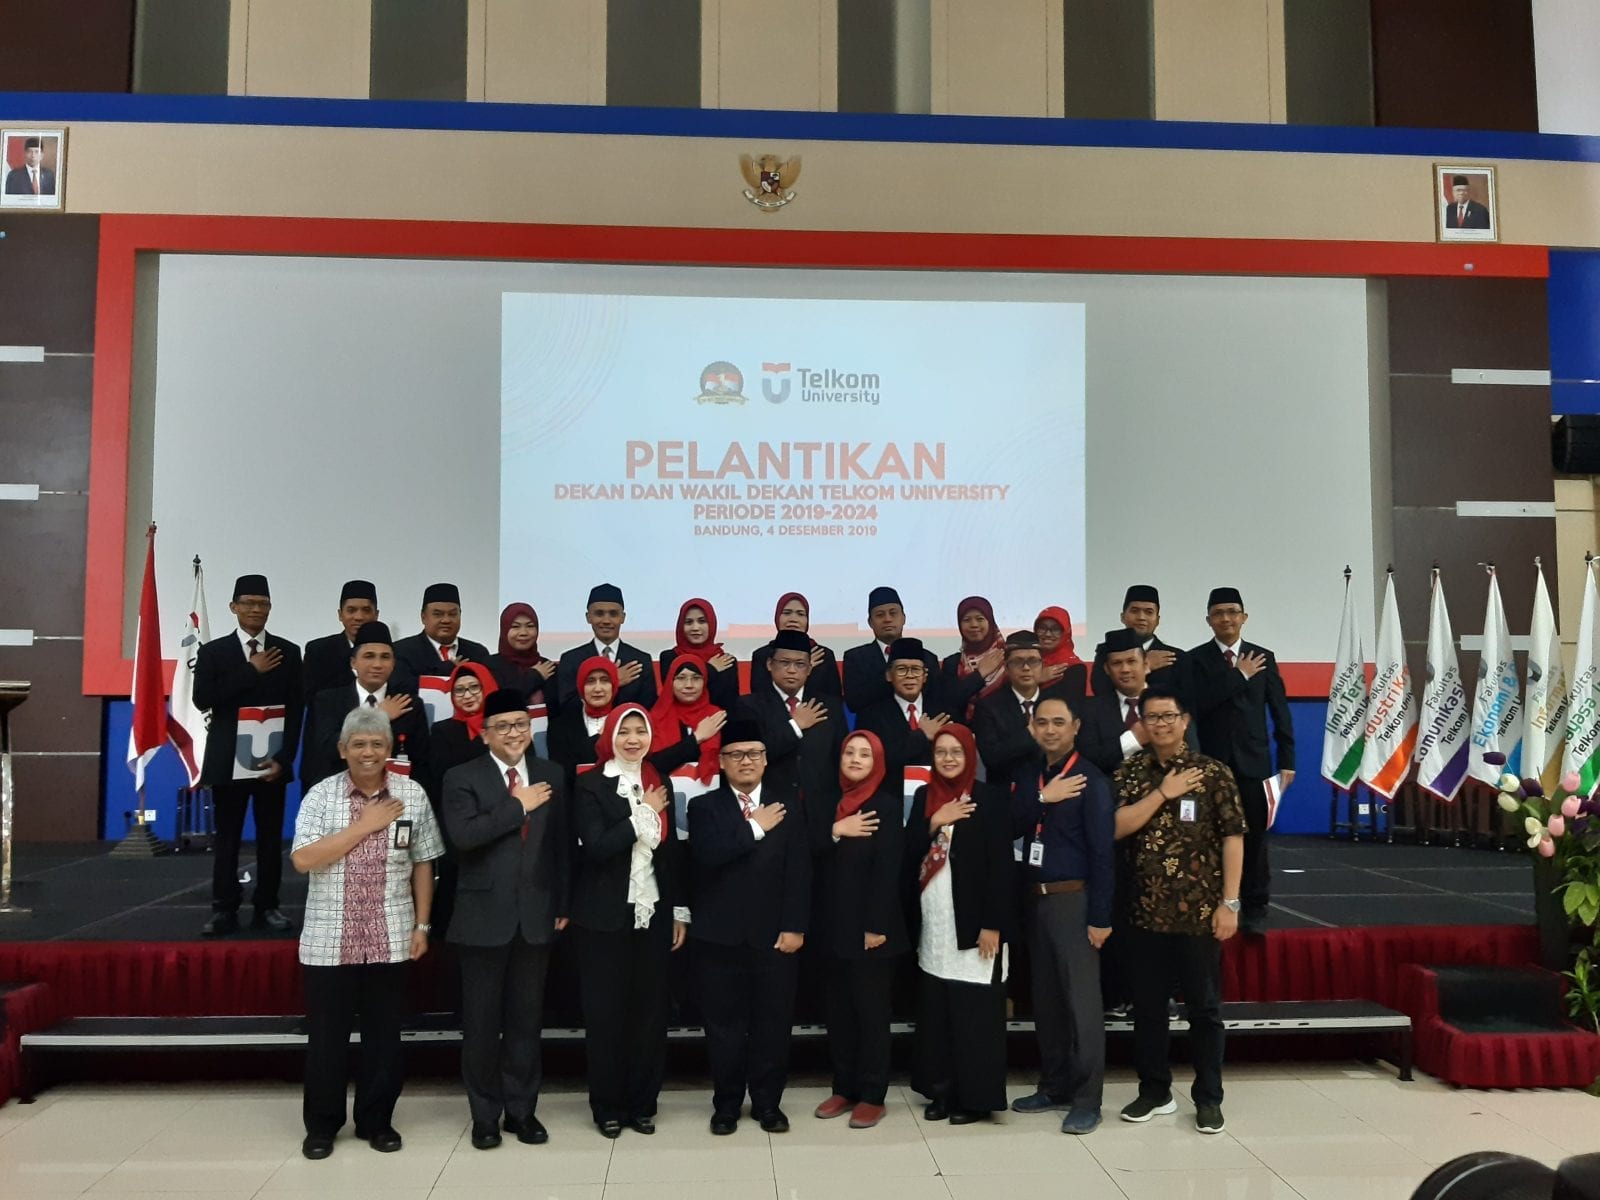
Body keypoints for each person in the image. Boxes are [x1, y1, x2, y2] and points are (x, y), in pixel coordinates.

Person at [291, 706, 443, 1160]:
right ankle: (322, 1126)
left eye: (377, 743)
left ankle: (377, 1122)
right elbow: (303, 859)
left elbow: (424, 862)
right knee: (326, 1040)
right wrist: (364, 826)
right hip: (328, 940)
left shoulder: (412, 794)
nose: (368, 752)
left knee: (385, 1039)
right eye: (358, 744)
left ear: (390, 748)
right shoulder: (321, 795)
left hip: (391, 934)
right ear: (343, 750)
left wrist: (422, 925)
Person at [1112, 688, 1245, 1135]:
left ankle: (1209, 1098)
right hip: (1143, 912)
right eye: (1152, 717)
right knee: (1148, 1010)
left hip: (1200, 914)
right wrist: (1162, 793)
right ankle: (1154, 1091)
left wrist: (1230, 903)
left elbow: (1233, 838)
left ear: (1185, 720)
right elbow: (1115, 827)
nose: (1161, 724)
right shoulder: (1131, 772)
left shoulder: (1213, 773)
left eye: (1169, 716)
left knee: (1204, 1011)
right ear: (1142, 723)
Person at [442, 688, 570, 1150]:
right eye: (502, 726)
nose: (514, 733)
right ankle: (484, 1116)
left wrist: (562, 904)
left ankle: (522, 1111)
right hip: (482, 918)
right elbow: (464, 836)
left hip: (536, 917)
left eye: (520, 724)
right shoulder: (461, 777)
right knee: (481, 1024)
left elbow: (560, 846)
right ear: (484, 734)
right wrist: (518, 805)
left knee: (525, 1022)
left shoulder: (551, 773)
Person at [570, 704, 689, 1138]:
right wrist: (642, 814)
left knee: (649, 1015)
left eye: (641, 731)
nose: (633, 739)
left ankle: (642, 1104)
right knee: (605, 1015)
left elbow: (669, 853)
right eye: (625, 731)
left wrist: (678, 909)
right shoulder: (590, 784)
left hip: (652, 912)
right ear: (611, 737)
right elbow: (598, 847)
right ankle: (607, 1106)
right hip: (603, 916)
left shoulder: (660, 781)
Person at [687, 719, 811, 1135]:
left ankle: (767, 1104)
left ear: (765, 759)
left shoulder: (787, 803)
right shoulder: (703, 807)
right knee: (723, 1029)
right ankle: (726, 1105)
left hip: (774, 937)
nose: (746, 761)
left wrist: (795, 925)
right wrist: (755, 826)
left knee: (772, 1026)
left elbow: (799, 870)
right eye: (736, 754)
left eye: (754, 753)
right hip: (718, 938)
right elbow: (708, 855)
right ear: (722, 762)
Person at [1007, 696, 1114, 1135]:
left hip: (1075, 901)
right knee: (1047, 1001)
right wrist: (1041, 798)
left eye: (1058, 722)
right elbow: (1011, 823)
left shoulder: (1090, 779)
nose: (1050, 730)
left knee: (1081, 1005)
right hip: (1035, 899)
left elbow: (1103, 853)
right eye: (1042, 722)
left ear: (1075, 727)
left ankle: (1088, 1100)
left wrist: (1101, 916)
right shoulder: (1029, 775)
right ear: (1032, 728)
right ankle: (1054, 1086)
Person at [907, 724, 1014, 1124]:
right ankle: (941, 1092)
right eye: (941, 752)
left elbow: (1002, 866)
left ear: (970, 756)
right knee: (938, 1013)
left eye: (957, 752)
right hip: (936, 922)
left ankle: (976, 1099)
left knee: (975, 1015)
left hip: (975, 924)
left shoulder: (991, 798)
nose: (948, 758)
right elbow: (907, 854)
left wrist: (993, 924)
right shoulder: (924, 797)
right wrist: (935, 820)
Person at [193, 574, 304, 936]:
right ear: (234, 607)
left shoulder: (288, 652)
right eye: (249, 603)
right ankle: (223, 908)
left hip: (271, 761)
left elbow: (295, 710)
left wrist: (285, 758)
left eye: (263, 604)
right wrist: (250, 670)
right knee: (227, 838)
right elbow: (203, 699)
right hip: (228, 762)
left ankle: (267, 906)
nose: (256, 609)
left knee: (270, 839)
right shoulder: (213, 652)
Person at [812, 730, 905, 1130]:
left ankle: (872, 1095)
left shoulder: (886, 806)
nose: (855, 759)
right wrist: (837, 830)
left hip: (872, 932)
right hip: (832, 928)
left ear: (877, 763)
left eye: (865, 754)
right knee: (839, 1015)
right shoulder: (827, 804)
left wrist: (876, 925)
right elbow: (809, 850)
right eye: (849, 751)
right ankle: (844, 1087)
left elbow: (889, 870)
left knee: (871, 1016)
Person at [1187, 587, 1293, 936]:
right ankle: (1214, 899)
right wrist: (1239, 676)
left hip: (1254, 762)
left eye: (1233, 612)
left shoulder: (1263, 657)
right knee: (1209, 835)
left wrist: (1288, 760)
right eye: (1218, 613)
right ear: (1208, 620)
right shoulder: (1195, 660)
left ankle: (1256, 906)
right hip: (1211, 763)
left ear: (1244, 617)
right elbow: (1198, 704)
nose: (1226, 619)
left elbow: (1279, 711)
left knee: (1255, 837)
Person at [736, 628, 845, 854]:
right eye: (784, 663)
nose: (792, 670)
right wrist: (795, 726)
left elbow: (840, 759)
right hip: (771, 815)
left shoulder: (829, 706)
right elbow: (752, 756)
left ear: (810, 668)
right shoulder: (749, 706)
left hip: (821, 819)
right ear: (770, 664)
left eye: (800, 664)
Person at [306, 622, 431, 792]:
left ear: (393, 663)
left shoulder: (408, 704)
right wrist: (379, 716)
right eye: (369, 656)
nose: (377, 664)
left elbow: (421, 763)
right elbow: (328, 748)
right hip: (339, 792)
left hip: (394, 794)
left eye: (385, 657)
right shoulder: (329, 700)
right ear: (353, 662)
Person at [426, 662, 500, 939]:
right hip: (458, 825)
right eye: (459, 691)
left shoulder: (503, 727)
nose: (467, 695)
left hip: (499, 819)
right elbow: (439, 782)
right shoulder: (442, 730)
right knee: (453, 895)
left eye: (474, 688)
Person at [854, 636, 952, 811]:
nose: (909, 676)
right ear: (888, 675)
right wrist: (921, 736)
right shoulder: (870, 715)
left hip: (939, 801)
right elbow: (878, 760)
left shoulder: (944, 712)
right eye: (901, 669)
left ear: (925, 676)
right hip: (889, 804)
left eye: (916, 669)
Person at [556, 584, 658, 710]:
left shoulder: (640, 661)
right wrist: (613, 681)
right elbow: (566, 707)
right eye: (599, 614)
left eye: (613, 614)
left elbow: (647, 710)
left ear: (623, 617)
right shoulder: (570, 660)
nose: (606, 621)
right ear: (588, 617)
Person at [973, 630, 1050, 795]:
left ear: (1042, 665)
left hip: (1052, 790)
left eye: (1033, 661)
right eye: (1017, 662)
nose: (1026, 668)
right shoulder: (988, 707)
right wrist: (1029, 734)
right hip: (1004, 795)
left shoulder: (1056, 704)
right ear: (1006, 668)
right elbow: (992, 758)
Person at [842, 586, 939, 714]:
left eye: (893, 613)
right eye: (880, 615)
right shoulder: (856, 658)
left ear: (904, 618)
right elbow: (854, 703)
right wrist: (895, 676)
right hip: (873, 724)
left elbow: (937, 700)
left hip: (919, 722)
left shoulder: (927, 658)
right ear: (870, 622)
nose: (887, 619)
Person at [1090, 586, 1186, 699]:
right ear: (1122, 617)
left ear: (1157, 620)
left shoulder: (1176, 657)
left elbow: (1181, 699)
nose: (1141, 617)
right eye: (1134, 611)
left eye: (1149, 612)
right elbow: (1100, 690)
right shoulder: (1106, 651)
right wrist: (1145, 665)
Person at [649, 654, 729, 785]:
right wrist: (696, 738)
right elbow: (651, 767)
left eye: (696, 678)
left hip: (713, 791)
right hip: (665, 791)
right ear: (670, 682)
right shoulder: (655, 717)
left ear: (705, 681)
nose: (689, 685)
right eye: (681, 678)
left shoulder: (718, 716)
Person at [749, 592, 842, 698]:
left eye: (800, 614)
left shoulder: (823, 655)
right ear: (777, 617)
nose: (793, 619)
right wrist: (802, 668)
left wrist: (806, 669)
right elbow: (759, 698)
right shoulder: (762, 655)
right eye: (787, 613)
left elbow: (834, 699)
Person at [302, 580, 381, 703]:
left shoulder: (390, 654)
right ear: (340, 614)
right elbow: (311, 699)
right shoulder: (319, 651)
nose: (358, 617)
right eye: (351, 610)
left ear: (376, 615)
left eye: (366, 610)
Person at [393, 583, 493, 679]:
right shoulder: (401, 651)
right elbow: (403, 686)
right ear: (423, 617)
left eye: (452, 614)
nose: (446, 620)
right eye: (438, 614)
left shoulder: (477, 653)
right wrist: (447, 669)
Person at [657, 598, 739, 710]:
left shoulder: (726, 661)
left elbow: (730, 705)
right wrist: (710, 669)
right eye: (688, 622)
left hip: (718, 719)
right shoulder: (669, 658)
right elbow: (671, 697)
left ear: (712, 623)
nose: (695, 628)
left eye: (702, 621)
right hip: (678, 720)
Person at [547, 655, 617, 786]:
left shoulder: (626, 721)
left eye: (604, 680)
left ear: (613, 685)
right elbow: (563, 775)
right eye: (590, 681)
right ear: (580, 686)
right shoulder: (559, 726)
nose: (598, 689)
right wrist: (600, 738)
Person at [941, 596, 1007, 719]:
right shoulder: (952, 663)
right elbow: (949, 702)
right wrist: (979, 675)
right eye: (966, 620)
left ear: (990, 621)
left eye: (980, 619)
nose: (974, 625)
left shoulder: (1007, 657)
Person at [487, 602, 557, 710]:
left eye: (530, 626)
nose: (523, 632)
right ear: (504, 629)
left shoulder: (548, 666)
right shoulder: (490, 666)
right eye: (515, 626)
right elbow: (501, 704)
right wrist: (534, 677)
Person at [1034, 605, 1088, 712]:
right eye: (1042, 628)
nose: (1047, 634)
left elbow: (1068, 710)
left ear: (1066, 632)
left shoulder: (1075, 668)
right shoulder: (1027, 662)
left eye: (1055, 629)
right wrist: (1035, 680)